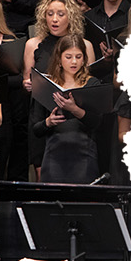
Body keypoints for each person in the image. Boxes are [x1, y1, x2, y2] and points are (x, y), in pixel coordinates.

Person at [22, 0, 86, 178]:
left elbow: (87, 81)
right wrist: (27, 85)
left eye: (60, 14)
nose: (54, 19)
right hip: (40, 113)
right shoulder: (33, 44)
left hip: (71, 115)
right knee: (43, 176)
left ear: (71, 17)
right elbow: (27, 79)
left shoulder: (83, 45)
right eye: (50, 14)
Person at [30, 34, 104, 183]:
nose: (74, 61)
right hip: (53, 157)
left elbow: (98, 123)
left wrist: (74, 109)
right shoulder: (46, 84)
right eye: (68, 57)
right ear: (59, 58)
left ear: (84, 58)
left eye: (78, 56)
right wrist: (49, 122)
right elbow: (35, 128)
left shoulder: (92, 84)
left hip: (84, 156)